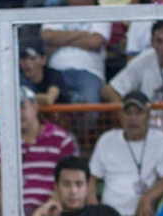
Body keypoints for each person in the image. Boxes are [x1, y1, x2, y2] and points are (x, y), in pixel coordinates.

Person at [0, 86, 76, 216]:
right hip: (14, 212)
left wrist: (50, 205)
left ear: (35, 107)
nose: (18, 113)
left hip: (49, 209)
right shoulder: (4, 140)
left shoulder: (61, 138)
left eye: (22, 107)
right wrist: (3, 201)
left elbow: (70, 176)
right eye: (13, 108)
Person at [89, 91, 163, 216]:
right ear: (121, 116)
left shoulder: (160, 140)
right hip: (109, 215)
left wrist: (149, 196)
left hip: (140, 215)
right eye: (128, 113)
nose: (133, 118)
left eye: (139, 112)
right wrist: (95, 211)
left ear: (148, 115)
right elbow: (91, 178)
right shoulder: (107, 140)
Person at [103, 20, 163, 140]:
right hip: (152, 135)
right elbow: (109, 90)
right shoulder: (143, 60)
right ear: (152, 42)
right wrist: (126, 115)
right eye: (159, 41)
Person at [41, 0, 111, 132]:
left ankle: (78, 142)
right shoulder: (57, 11)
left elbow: (94, 41)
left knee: (90, 107)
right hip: (56, 70)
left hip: (89, 72)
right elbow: (48, 36)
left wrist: (61, 40)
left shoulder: (100, 12)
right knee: (48, 106)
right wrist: (82, 35)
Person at [18, 40, 67, 106]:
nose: (27, 63)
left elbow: (49, 99)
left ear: (43, 60)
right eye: (23, 58)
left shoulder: (53, 75)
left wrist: (21, 96)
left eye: (32, 58)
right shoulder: (18, 79)